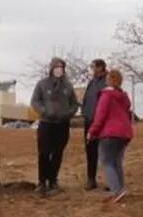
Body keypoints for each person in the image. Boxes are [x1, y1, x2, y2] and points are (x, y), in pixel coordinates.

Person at [31, 57, 80, 195]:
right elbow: (35, 101)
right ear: (51, 68)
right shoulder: (42, 84)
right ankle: (42, 181)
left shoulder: (68, 86)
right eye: (56, 66)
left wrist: (67, 114)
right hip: (46, 124)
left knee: (58, 153)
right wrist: (44, 111)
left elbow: (74, 105)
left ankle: (53, 181)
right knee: (44, 153)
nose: (59, 69)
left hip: (62, 124)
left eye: (61, 67)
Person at [88, 69, 134, 204]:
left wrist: (92, 132)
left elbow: (100, 116)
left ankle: (116, 191)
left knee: (107, 161)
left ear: (109, 80)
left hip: (110, 133)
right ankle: (121, 188)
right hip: (124, 133)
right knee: (117, 161)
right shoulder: (123, 97)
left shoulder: (106, 96)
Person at [81, 59, 108, 190]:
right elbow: (87, 99)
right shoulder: (91, 83)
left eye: (94, 67)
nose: (92, 69)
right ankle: (91, 179)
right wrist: (84, 113)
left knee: (106, 152)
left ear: (101, 67)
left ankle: (110, 180)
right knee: (90, 152)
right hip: (89, 122)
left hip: (103, 123)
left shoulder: (108, 82)